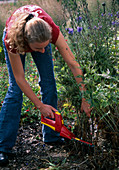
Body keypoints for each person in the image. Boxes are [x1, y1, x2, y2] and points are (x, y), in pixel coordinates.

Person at [0, 5, 92, 166]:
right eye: (38, 49)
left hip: (38, 35)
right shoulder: (12, 39)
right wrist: (40, 105)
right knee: (15, 91)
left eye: (46, 46)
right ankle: (2, 146)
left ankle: (52, 136)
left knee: (49, 83)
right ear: (27, 43)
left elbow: (73, 63)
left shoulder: (50, 31)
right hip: (18, 35)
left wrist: (85, 97)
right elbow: (20, 79)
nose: (43, 52)